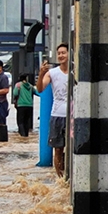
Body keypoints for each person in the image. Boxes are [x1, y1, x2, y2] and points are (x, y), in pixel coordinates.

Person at [38, 43, 71, 178]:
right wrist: (41, 74)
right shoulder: (52, 73)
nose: (61, 56)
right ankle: (60, 179)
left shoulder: (76, 71)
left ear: (70, 53)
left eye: (63, 52)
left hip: (73, 116)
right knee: (58, 149)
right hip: (57, 115)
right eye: (59, 53)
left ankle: (71, 177)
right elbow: (40, 89)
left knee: (73, 149)